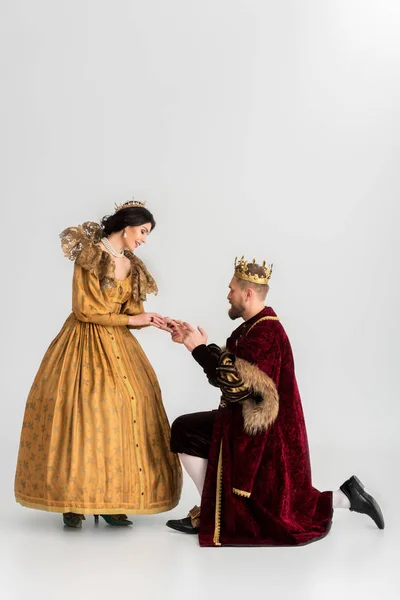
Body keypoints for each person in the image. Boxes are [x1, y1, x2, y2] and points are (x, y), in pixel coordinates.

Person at [165, 257, 384, 547]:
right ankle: (211, 510)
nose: (227, 295)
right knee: (185, 430)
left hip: (265, 433)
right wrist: (199, 345)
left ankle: (344, 498)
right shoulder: (252, 328)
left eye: (231, 289)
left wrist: (199, 349)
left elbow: (235, 385)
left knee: (280, 512)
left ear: (248, 293)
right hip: (248, 421)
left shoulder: (265, 333)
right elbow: (233, 370)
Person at [15, 200, 182, 528]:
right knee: (84, 414)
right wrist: (133, 321)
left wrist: (153, 320)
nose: (145, 239)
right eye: (143, 231)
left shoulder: (131, 264)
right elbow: (84, 310)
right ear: (126, 226)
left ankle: (112, 499)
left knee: (128, 409)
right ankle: (74, 499)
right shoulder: (91, 256)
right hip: (83, 343)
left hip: (119, 344)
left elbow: (131, 311)